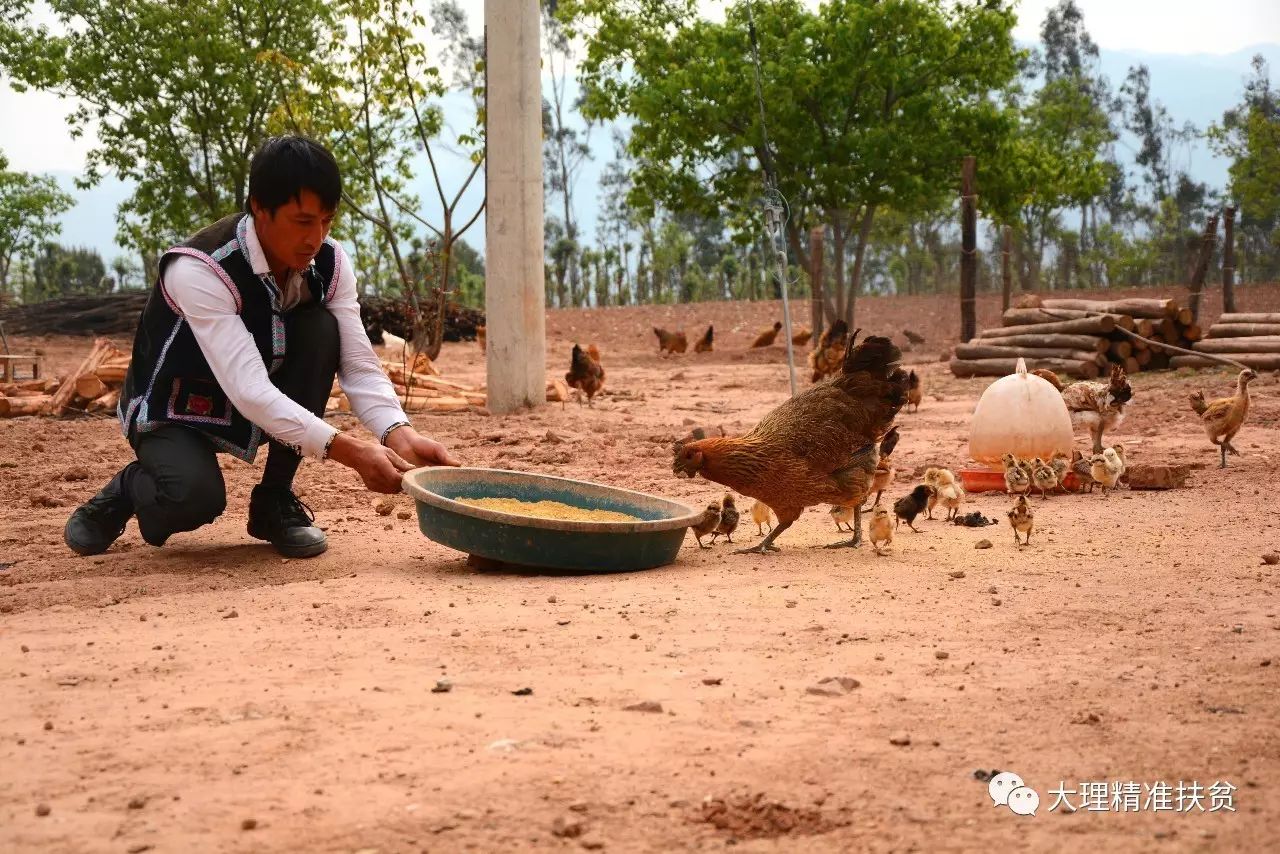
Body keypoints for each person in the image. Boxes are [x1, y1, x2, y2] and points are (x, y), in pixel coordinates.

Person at [63, 136, 459, 559]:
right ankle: (128, 489)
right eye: (302, 221)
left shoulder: (330, 262)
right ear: (258, 208)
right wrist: (353, 452)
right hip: (173, 406)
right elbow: (249, 389)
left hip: (255, 392)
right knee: (195, 499)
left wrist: (399, 434)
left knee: (323, 330)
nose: (316, 237)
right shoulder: (200, 269)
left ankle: (273, 502)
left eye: (327, 221)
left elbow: (357, 365)